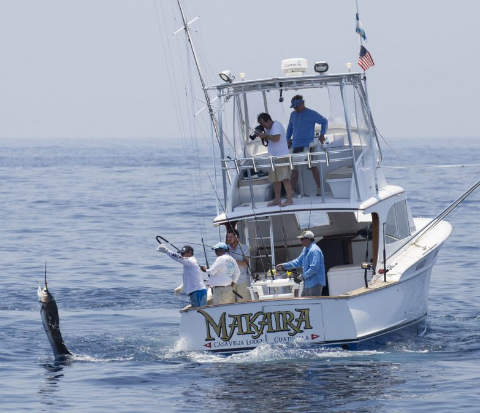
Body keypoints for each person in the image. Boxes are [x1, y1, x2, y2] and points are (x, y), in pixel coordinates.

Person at [286, 95, 328, 196]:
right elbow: (290, 128)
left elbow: (324, 121)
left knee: (313, 167)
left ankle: (319, 189)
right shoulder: (293, 115)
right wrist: (287, 139)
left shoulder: (311, 113)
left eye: (297, 106)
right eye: (294, 106)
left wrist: (322, 134)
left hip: (309, 145)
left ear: (302, 103)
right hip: (296, 145)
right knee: (293, 170)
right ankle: (290, 192)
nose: (295, 108)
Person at [257, 112, 294, 207]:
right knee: (275, 180)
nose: (263, 126)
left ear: (269, 120)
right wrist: (262, 136)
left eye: (263, 123)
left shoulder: (276, 125)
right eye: (261, 124)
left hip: (282, 156)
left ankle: (289, 200)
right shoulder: (267, 129)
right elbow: (269, 141)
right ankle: (277, 200)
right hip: (273, 157)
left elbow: (276, 138)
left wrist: (265, 136)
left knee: (285, 179)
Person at [275, 230, 327, 297]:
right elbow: (298, 262)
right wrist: (284, 265)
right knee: (304, 302)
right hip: (307, 283)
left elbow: (314, 268)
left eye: (302, 239)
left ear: (308, 239)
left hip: (315, 283)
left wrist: (303, 276)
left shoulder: (315, 250)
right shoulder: (305, 249)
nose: (300, 241)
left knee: (313, 304)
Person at [226, 231, 250, 302]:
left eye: (231, 237)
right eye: (227, 237)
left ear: (237, 237)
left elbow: (246, 264)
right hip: (229, 282)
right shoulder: (225, 248)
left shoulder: (244, 248)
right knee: (229, 303)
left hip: (242, 281)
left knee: (243, 302)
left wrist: (233, 261)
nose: (228, 239)